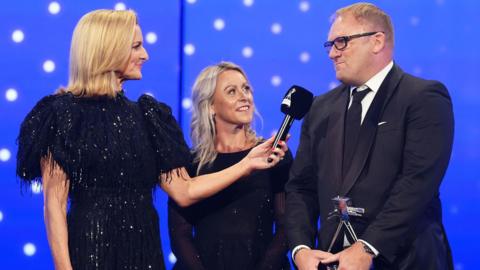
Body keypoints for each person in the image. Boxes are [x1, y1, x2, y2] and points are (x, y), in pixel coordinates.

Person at [16, 10, 287, 270]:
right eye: (136, 46)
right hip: (90, 251)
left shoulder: (147, 116)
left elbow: (185, 191)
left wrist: (247, 164)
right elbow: (54, 205)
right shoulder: (61, 116)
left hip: (144, 252)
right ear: (108, 49)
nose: (144, 54)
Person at [285, 2, 454, 270]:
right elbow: (300, 187)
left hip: (405, 259)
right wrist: (300, 249)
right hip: (330, 260)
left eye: (341, 42)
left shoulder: (422, 97)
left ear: (377, 41)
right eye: (329, 45)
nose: (332, 54)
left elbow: (417, 182)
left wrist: (367, 247)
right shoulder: (320, 108)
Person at [168, 62, 292, 270]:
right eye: (231, 91)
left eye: (246, 88)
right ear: (210, 106)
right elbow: (180, 235)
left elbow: (286, 226)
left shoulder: (273, 154)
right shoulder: (190, 165)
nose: (244, 96)